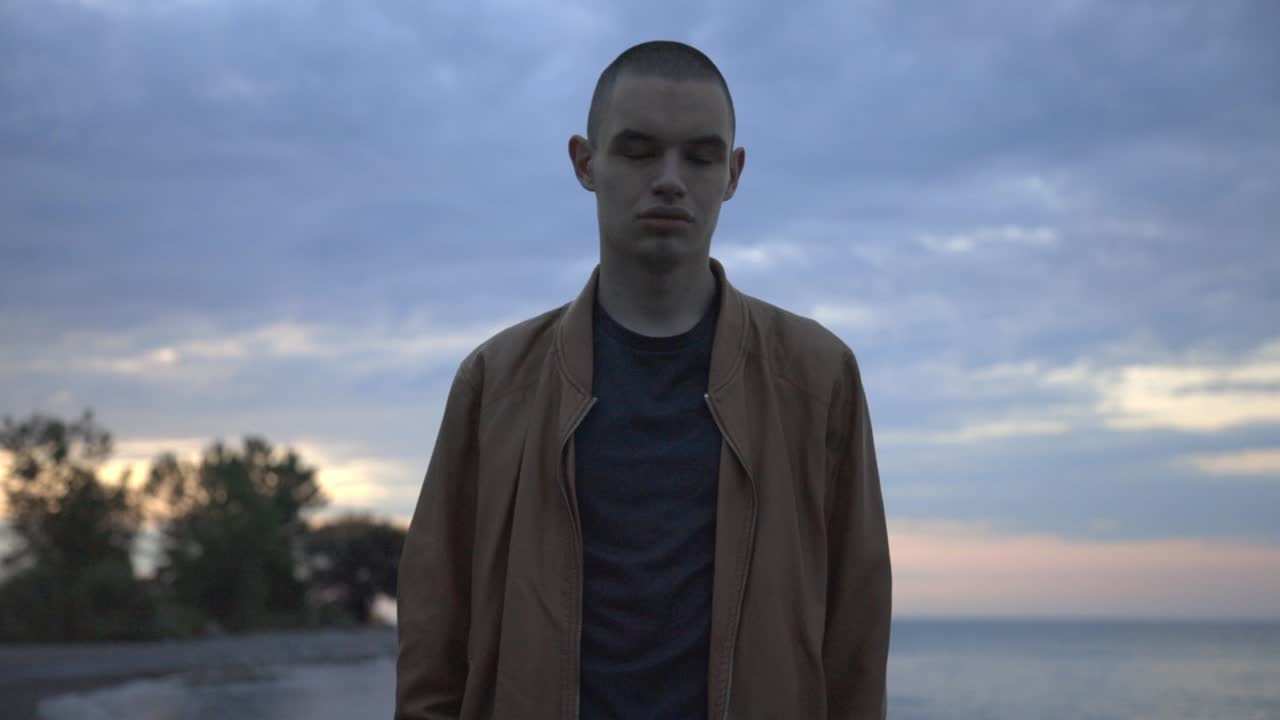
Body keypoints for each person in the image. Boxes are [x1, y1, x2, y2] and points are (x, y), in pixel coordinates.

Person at [396, 40, 891, 720]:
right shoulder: (497, 383)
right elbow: (434, 634)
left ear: (734, 172)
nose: (669, 178)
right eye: (637, 150)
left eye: (700, 155)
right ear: (585, 161)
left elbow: (855, 640)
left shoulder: (817, 378)